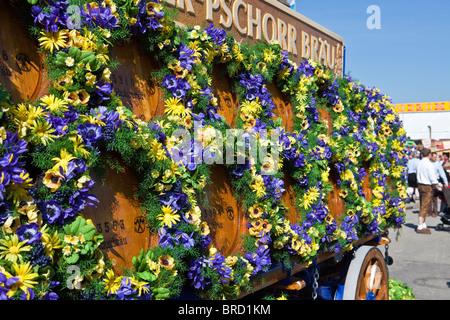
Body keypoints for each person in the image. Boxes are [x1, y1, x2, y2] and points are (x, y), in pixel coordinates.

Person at [416, 148, 442, 234]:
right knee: (425, 206)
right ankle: (420, 226)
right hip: (427, 186)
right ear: (429, 155)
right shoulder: (429, 164)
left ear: (422, 155)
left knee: (422, 205)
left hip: (420, 185)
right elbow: (432, 177)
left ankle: (423, 224)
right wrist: (437, 187)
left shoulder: (419, 163)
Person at [431, 152, 448, 217]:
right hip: (430, 182)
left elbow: (442, 173)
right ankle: (431, 212)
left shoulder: (437, 164)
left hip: (437, 182)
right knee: (431, 198)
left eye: (436, 157)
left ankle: (439, 211)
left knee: (440, 197)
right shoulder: (428, 163)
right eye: (434, 157)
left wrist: (445, 182)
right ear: (431, 156)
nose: (435, 158)